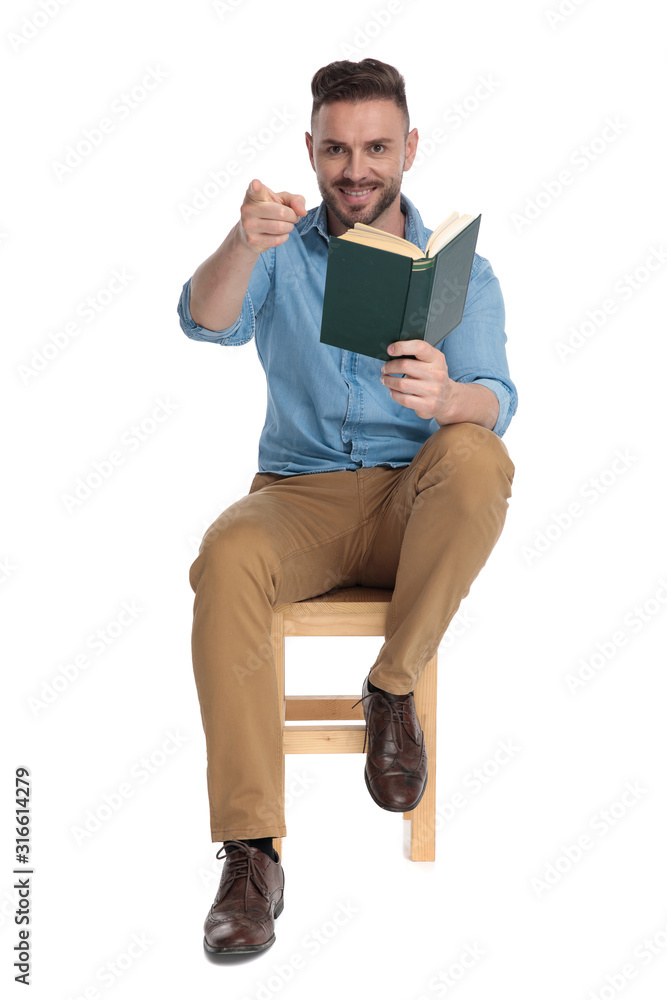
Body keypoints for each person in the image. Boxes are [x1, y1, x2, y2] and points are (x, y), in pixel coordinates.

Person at [177, 57, 517, 956]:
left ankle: (389, 687)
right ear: (311, 150)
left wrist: (449, 401)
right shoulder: (278, 246)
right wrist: (241, 244)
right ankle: (251, 853)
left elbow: (497, 400)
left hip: (418, 501)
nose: (355, 168)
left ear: (407, 147)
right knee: (227, 556)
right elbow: (205, 321)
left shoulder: (464, 274)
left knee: (480, 457)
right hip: (301, 497)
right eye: (335, 149)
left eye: (374, 147)